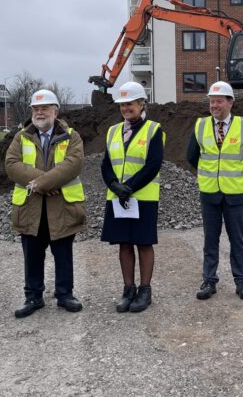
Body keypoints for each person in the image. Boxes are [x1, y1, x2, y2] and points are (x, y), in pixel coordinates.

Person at [5, 89, 86, 318]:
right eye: (36, 109)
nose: (40, 112)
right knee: (32, 255)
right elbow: (12, 165)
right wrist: (45, 183)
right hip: (31, 208)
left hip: (61, 207)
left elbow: (73, 164)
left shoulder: (72, 136)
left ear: (55, 111)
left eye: (44, 108)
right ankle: (33, 297)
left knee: (63, 253)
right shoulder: (21, 137)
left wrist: (41, 183)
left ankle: (65, 294)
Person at [186, 81, 243, 300]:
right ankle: (209, 281)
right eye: (212, 101)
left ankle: (242, 282)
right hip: (209, 193)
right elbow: (191, 155)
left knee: (237, 239)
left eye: (219, 101)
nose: (214, 105)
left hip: (234, 194)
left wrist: (240, 173)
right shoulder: (200, 126)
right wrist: (207, 173)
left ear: (230, 102)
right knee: (210, 239)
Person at [100, 81, 165, 313]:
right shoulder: (112, 131)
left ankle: (145, 290)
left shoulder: (154, 130)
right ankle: (128, 289)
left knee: (143, 243)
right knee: (124, 244)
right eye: (122, 105)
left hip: (143, 198)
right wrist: (115, 186)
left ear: (141, 104)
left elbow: (153, 164)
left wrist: (130, 186)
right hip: (119, 198)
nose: (126, 108)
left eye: (130, 104)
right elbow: (106, 164)